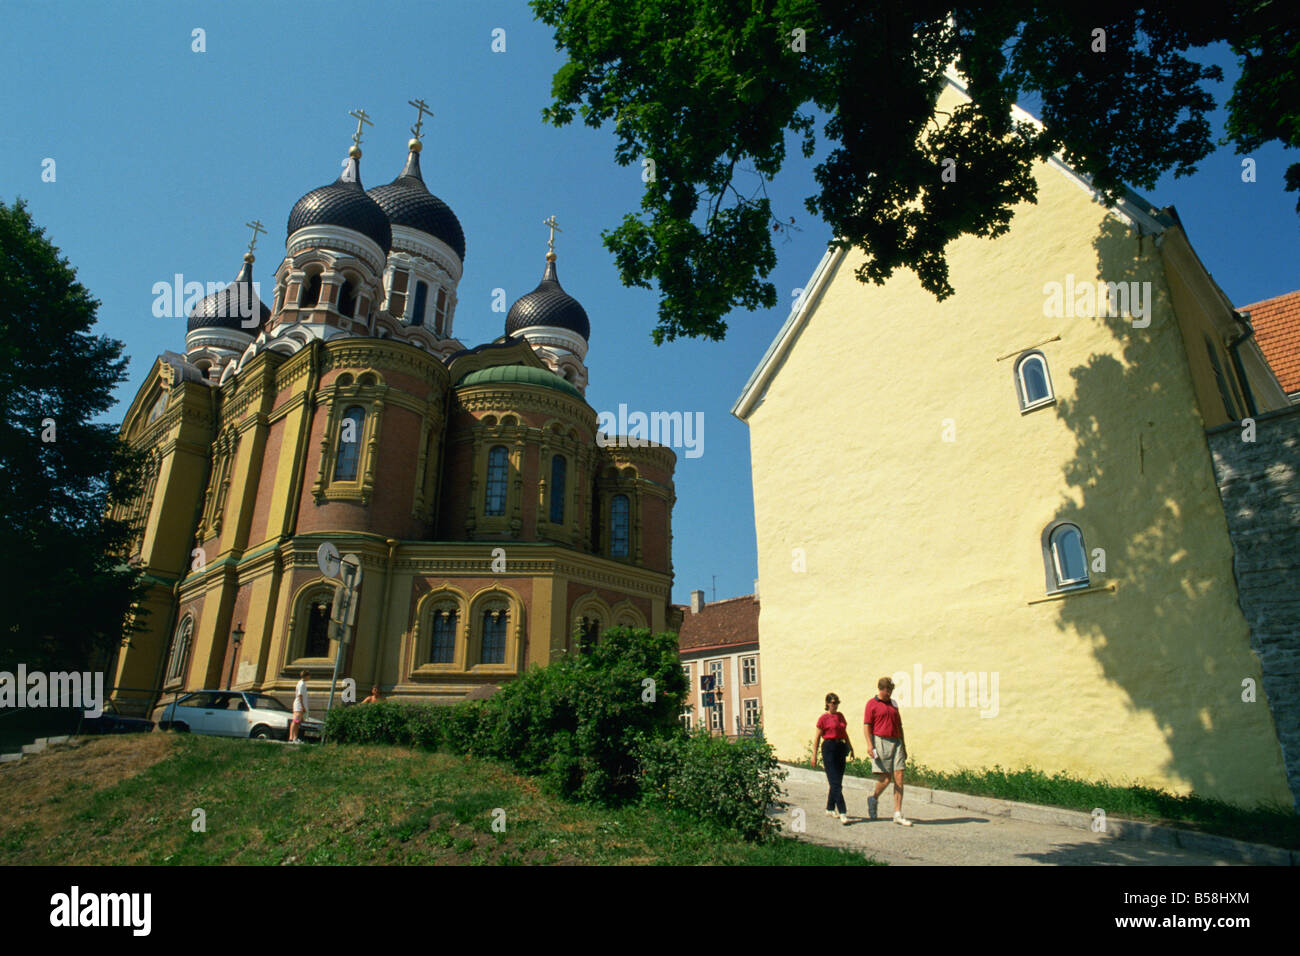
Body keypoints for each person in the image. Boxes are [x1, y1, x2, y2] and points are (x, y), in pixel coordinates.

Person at [864, 676, 913, 825]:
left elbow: (900, 726)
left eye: (891, 690)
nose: (890, 693)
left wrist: (903, 746)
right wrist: (870, 745)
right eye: (888, 690)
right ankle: (873, 798)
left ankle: (897, 813)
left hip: (896, 741)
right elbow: (867, 726)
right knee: (886, 779)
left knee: (899, 774)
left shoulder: (894, 704)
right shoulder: (871, 704)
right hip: (881, 741)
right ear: (881, 689)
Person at [811, 692, 854, 825]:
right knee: (835, 782)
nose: (835, 705)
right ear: (827, 704)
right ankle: (842, 812)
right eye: (833, 703)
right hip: (828, 748)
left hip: (840, 747)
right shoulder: (823, 718)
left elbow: (844, 733)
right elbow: (817, 737)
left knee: (837, 780)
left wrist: (850, 747)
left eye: (837, 703)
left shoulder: (840, 716)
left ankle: (830, 808)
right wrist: (814, 755)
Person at [289, 670, 309, 743]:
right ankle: (291, 737)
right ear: (306, 676)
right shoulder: (301, 684)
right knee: (295, 720)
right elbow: (300, 695)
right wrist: (302, 706)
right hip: (298, 705)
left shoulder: (303, 683)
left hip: (300, 705)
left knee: (298, 722)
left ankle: (295, 737)